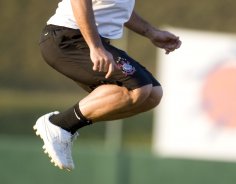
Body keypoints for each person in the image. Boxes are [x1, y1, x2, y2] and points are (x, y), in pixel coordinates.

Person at [34, 0, 181, 171]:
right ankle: (61, 125)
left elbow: (117, 6)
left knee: (153, 95)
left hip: (87, 41)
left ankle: (65, 126)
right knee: (138, 88)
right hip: (66, 39)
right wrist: (95, 46)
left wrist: (151, 32)